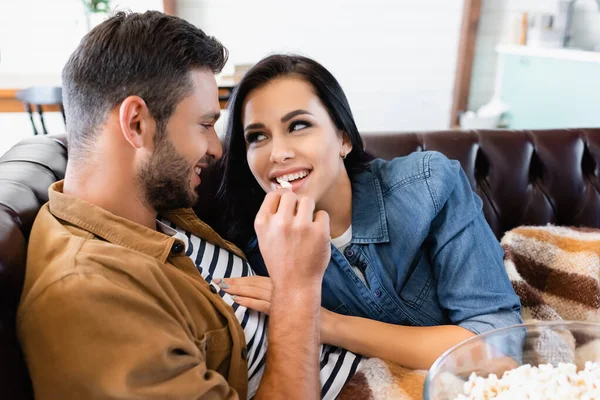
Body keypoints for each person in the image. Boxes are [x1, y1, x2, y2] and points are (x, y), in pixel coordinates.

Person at [17, 13, 336, 400]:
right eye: (204, 125)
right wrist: (297, 289)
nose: (217, 149)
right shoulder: (89, 298)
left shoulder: (151, 205)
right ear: (136, 124)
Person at [217, 54, 523, 370]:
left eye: (298, 125)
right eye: (257, 136)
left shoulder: (429, 186)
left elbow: (498, 346)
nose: (278, 153)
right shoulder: (259, 254)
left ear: (344, 138)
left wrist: (325, 324)